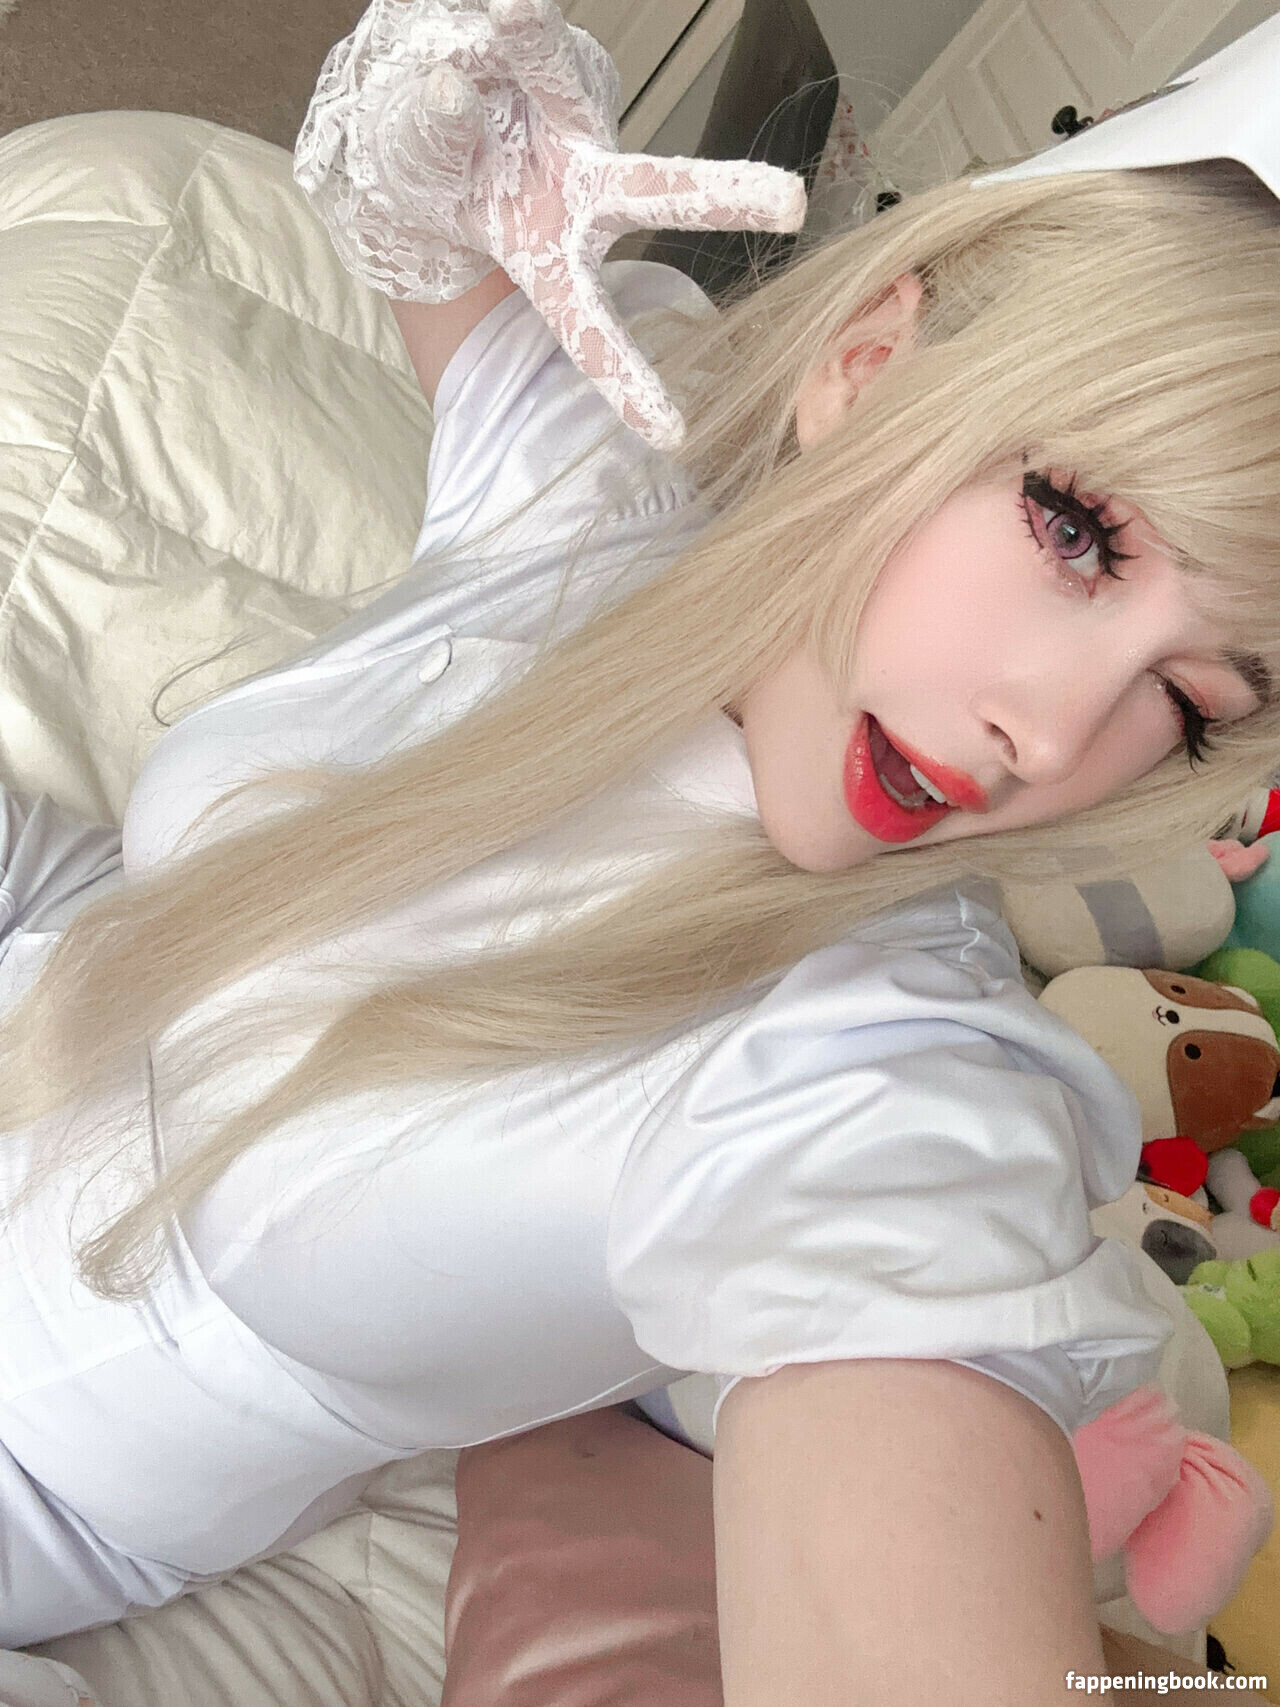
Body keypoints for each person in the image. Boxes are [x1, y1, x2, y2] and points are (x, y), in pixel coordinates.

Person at [0, 2, 1278, 1702]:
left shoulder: (884, 1077)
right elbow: (406, 166)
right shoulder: (594, 499)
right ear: (870, 365)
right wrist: (485, 105)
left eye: (1185, 703)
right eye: (1077, 533)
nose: (1047, 738)